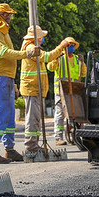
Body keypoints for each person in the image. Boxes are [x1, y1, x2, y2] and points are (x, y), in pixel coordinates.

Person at [0, 3, 40, 164]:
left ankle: (9, 149)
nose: (8, 17)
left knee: (9, 116)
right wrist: (27, 53)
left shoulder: (4, 33)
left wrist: (13, 83)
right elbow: (5, 53)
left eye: (9, 14)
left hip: (7, 78)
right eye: (5, 14)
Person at [19, 25, 72, 160]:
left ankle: (34, 144)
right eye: (41, 37)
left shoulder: (33, 48)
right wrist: (60, 46)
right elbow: (47, 57)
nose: (42, 39)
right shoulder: (31, 48)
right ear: (37, 38)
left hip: (36, 89)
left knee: (36, 119)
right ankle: (30, 146)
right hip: (32, 89)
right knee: (32, 119)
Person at [47, 38, 85, 146]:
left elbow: (83, 74)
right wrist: (55, 58)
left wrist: (82, 63)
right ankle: (58, 137)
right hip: (61, 91)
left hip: (74, 91)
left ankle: (73, 135)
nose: (72, 47)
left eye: (73, 45)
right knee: (60, 114)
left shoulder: (77, 59)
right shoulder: (60, 58)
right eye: (69, 45)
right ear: (64, 47)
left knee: (74, 114)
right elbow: (50, 67)